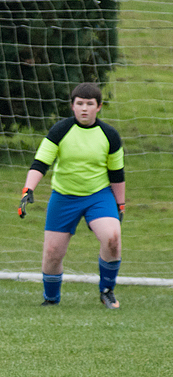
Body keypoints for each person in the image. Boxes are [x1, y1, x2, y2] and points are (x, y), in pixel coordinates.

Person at [18, 82, 125, 309]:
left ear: (99, 107)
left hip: (98, 196)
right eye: (79, 104)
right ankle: (51, 299)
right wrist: (28, 190)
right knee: (53, 252)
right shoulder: (60, 130)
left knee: (113, 238)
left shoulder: (109, 135)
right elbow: (40, 163)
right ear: (72, 106)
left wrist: (121, 205)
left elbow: (117, 174)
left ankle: (107, 291)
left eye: (89, 104)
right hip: (64, 197)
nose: (84, 109)